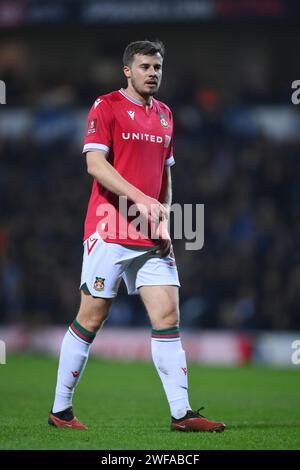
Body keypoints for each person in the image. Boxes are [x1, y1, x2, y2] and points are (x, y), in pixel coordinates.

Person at [48, 40, 225, 433]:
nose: (153, 73)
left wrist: (164, 219)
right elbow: (95, 164)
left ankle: (182, 413)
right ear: (127, 70)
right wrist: (141, 199)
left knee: (168, 315)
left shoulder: (165, 115)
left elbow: (167, 175)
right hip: (109, 226)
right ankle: (60, 411)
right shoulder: (105, 106)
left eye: (158, 67)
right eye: (145, 66)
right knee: (93, 316)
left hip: (150, 233)